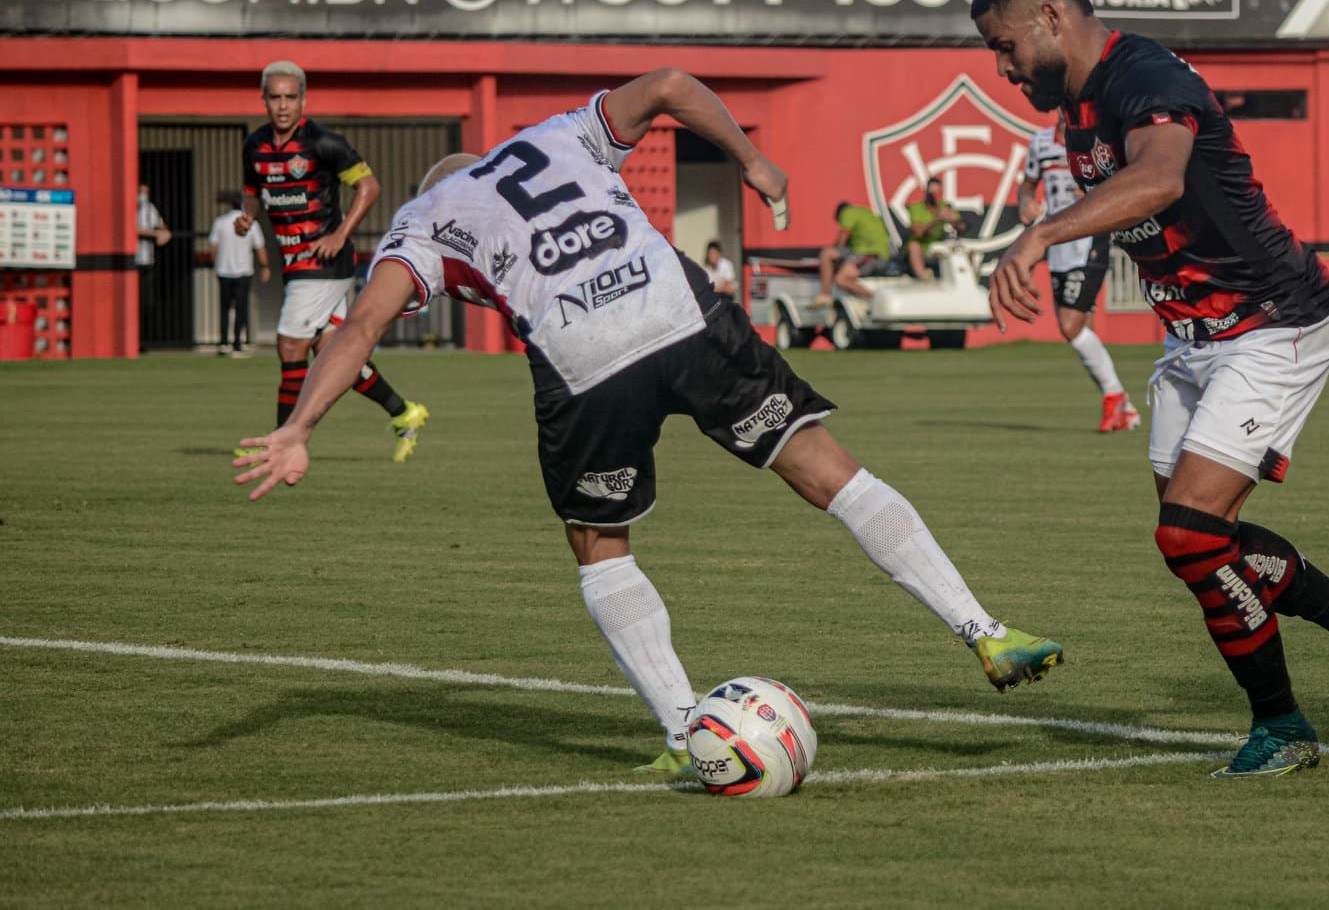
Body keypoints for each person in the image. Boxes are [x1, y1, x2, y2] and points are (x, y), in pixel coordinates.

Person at [231, 70, 1065, 774]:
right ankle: (985, 629)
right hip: (683, 314)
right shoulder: (560, 134)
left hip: (584, 360)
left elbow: (361, 325)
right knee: (822, 464)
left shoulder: (424, 220)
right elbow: (668, 84)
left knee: (599, 541)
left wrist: (302, 424)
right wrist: (753, 159)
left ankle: (682, 730)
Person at [974, 0, 1329, 779]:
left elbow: (1162, 177)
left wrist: (1039, 235)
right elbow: (1125, 209)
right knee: (1200, 543)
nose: (1002, 67)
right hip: (1194, 339)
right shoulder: (1076, 108)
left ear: (1051, 18)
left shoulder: (1143, 76)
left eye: (1005, 46)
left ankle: (1283, 726)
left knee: (1189, 531)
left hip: (1273, 321)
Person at [237, 61, 429, 462]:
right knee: (332, 352)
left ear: (303, 100)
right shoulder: (254, 146)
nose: (283, 106)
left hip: (324, 262)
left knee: (291, 345)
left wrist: (340, 234)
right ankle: (404, 412)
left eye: (291, 97)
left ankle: (282, 441)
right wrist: (248, 216)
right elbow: (252, 190)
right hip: (295, 262)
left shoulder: (325, 142)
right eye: (276, 97)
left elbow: (369, 187)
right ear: (264, 100)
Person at [1019, 114, 1139, 432]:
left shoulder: (1095, 137)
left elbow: (1125, 179)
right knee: (1079, 328)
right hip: (1058, 242)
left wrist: (1097, 195)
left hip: (1090, 238)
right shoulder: (1040, 142)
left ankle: (1115, 397)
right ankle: (1122, 407)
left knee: (1069, 326)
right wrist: (1026, 204)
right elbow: (1027, 187)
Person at [206, 189, 268, 356]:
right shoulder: (252, 223)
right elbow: (260, 248)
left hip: (223, 270)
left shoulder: (220, 222)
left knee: (224, 306)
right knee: (241, 307)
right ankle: (238, 342)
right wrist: (265, 267)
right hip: (243, 270)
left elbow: (212, 248)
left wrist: (215, 264)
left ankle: (223, 342)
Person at [815, 201, 894, 304]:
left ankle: (877, 300)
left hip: (871, 254)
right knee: (828, 254)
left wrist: (837, 261)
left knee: (840, 278)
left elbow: (842, 239)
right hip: (876, 253)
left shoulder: (847, 212)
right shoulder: (867, 213)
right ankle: (825, 294)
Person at [900, 178, 961, 280]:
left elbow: (962, 228)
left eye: (937, 192)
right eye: (932, 192)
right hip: (920, 251)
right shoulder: (916, 207)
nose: (934, 196)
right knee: (913, 245)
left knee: (958, 247)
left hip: (937, 250)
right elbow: (918, 231)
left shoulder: (945, 206)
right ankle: (923, 276)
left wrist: (954, 220)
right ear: (926, 192)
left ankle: (962, 279)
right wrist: (937, 219)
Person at [135, 183, 171, 339]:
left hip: (147, 260)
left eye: (146, 192)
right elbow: (133, 229)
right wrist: (154, 234)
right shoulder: (128, 207)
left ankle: (145, 338)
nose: (143, 195)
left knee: (147, 302)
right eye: (141, 192)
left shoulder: (150, 208)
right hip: (131, 262)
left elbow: (163, 229)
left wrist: (163, 233)